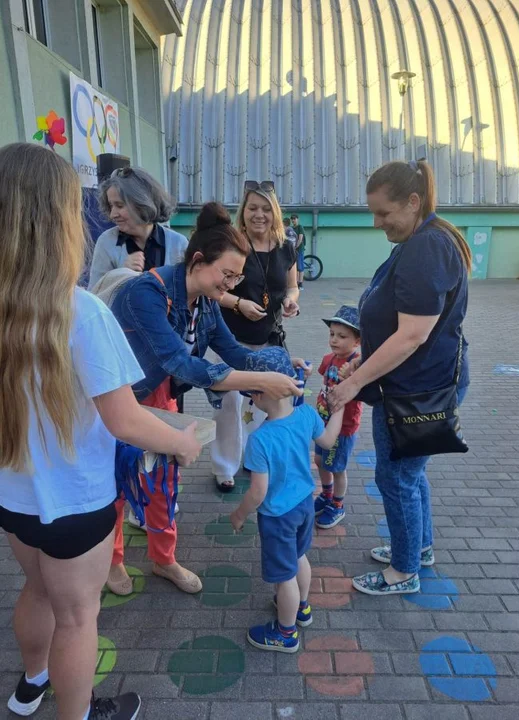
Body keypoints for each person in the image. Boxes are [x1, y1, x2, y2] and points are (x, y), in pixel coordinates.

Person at [0, 143, 202, 720]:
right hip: (78, 502)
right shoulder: (80, 311)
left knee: (38, 590)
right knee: (77, 616)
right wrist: (184, 442)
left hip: (13, 499)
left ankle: (29, 687)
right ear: (59, 218)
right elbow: (125, 419)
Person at [108, 202, 304, 595]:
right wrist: (258, 377)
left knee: (164, 482)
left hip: (161, 397)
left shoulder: (207, 304)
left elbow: (234, 352)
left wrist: (279, 363)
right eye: (227, 275)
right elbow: (182, 364)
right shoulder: (147, 292)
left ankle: (164, 560)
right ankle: (113, 562)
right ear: (198, 261)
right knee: (116, 482)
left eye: (236, 278)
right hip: (119, 400)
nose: (231, 286)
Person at [329, 159, 471, 596]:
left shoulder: (427, 248)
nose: (377, 223)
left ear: (413, 202)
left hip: (415, 390)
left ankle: (403, 571)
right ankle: (419, 548)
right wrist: (359, 362)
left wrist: (352, 383)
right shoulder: (420, 241)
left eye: (384, 213)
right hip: (417, 383)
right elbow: (394, 324)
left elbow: (412, 335)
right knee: (410, 475)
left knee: (395, 478)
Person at [229, 348, 344, 653]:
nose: (251, 400)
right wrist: (340, 410)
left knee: (284, 578)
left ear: (265, 395)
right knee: (299, 558)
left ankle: (285, 633)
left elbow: (257, 492)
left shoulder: (260, 439)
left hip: (278, 516)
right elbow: (328, 441)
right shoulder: (305, 415)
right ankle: (302, 608)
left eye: (252, 394)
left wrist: (239, 515)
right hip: (305, 504)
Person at [212, 181, 300, 491]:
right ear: (243, 211)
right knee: (229, 405)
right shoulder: (232, 245)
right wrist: (238, 303)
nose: (258, 215)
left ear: (274, 213)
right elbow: (211, 290)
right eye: (252, 208)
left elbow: (292, 285)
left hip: (269, 338)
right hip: (232, 338)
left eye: (265, 209)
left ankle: (253, 459)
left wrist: (291, 300)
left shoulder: (286, 247)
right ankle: (225, 466)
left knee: (260, 405)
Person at [88, 166, 188, 290]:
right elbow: (95, 297)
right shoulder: (106, 242)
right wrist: (121, 275)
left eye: (119, 205)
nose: (113, 214)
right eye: (110, 206)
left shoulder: (178, 244)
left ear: (142, 204)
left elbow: (188, 297)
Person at [313, 306, 362, 529]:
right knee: (320, 461)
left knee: (337, 467)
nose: (334, 340)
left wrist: (353, 372)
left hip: (343, 427)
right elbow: (324, 380)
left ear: (357, 341)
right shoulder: (329, 359)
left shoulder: (358, 365)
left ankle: (338, 505)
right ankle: (326, 494)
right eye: (332, 334)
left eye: (342, 336)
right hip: (323, 422)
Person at [291, 214, 306, 289]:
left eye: (294, 218)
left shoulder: (300, 227)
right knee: (295, 267)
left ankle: (300, 283)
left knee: (300, 267)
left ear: (297, 219)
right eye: (292, 219)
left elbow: (300, 238)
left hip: (299, 249)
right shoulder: (291, 228)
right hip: (293, 250)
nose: (293, 220)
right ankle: (296, 283)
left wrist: (296, 246)